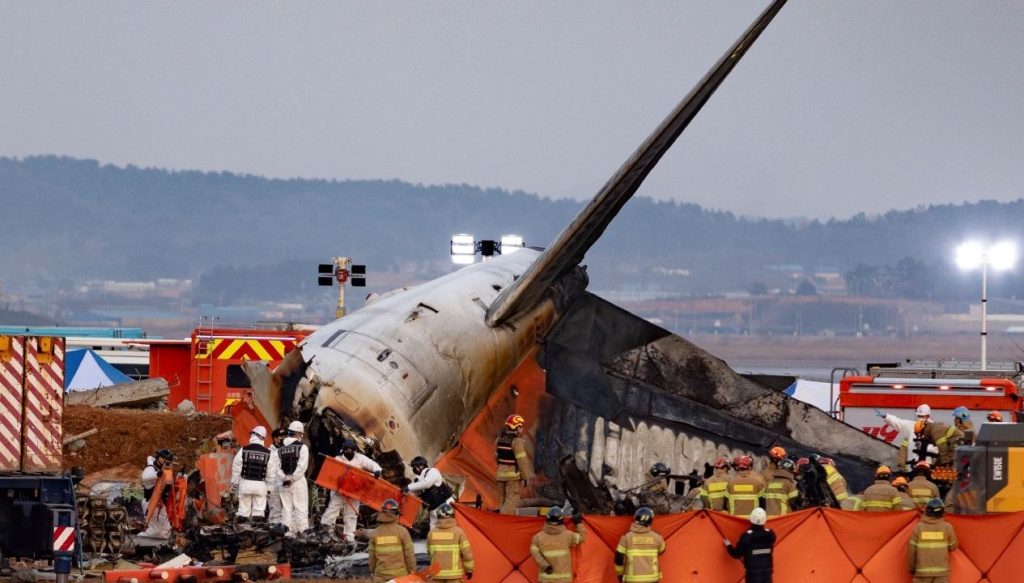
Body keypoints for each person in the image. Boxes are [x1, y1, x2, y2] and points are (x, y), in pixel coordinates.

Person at [322, 438, 382, 541]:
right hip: (339, 492)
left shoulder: (360, 458)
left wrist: (377, 471)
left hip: (354, 493)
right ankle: (325, 534)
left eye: (351, 450)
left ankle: (349, 538)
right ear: (343, 449)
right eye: (347, 450)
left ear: (354, 450)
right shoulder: (338, 459)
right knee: (331, 512)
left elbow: (373, 465)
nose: (349, 452)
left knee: (351, 516)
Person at [230, 426, 279, 523]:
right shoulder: (268, 453)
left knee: (243, 511)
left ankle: (242, 533)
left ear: (255, 435)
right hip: (261, 486)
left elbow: (236, 467)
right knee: (259, 512)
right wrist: (269, 488)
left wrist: (234, 483)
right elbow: (271, 473)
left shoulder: (244, 450)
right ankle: (257, 533)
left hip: (245, 484)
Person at [907, 499, 958, 583]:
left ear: (926, 511)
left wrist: (911, 569)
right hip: (941, 574)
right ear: (942, 512)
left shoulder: (918, 527)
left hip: (921, 574)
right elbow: (953, 546)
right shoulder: (947, 527)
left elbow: (912, 552)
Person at [530, 507, 585, 583]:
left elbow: (534, 553)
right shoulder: (568, 535)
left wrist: (545, 565)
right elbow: (582, 538)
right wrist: (579, 523)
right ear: (562, 520)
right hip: (564, 580)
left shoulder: (537, 537)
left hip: (545, 579)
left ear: (546, 519)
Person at [368, 498, 416, 583]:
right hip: (400, 577)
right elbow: (409, 555)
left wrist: (373, 571)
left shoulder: (375, 533)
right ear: (396, 513)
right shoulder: (402, 531)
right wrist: (412, 570)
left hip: (380, 577)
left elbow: (372, 558)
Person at [277, 420, 310, 537]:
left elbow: (276, 467)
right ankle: (302, 533)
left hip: (284, 482)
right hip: (298, 482)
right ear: (298, 434)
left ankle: (288, 534)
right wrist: (293, 478)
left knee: (286, 508)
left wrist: (285, 478)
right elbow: (302, 466)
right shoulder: (302, 447)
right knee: (300, 508)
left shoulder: (279, 449)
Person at [724, 508, 775, 583]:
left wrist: (729, 546)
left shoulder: (746, 536)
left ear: (751, 519)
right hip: (767, 573)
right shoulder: (770, 535)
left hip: (752, 574)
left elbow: (736, 554)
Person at [615, 507, 665, 583]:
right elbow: (662, 551)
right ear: (650, 520)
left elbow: (618, 559)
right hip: (652, 579)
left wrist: (620, 575)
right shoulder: (657, 537)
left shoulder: (626, 537)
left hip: (632, 580)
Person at [495, 414, 533, 514]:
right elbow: (522, 462)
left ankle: (499, 523)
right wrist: (525, 477)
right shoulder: (517, 442)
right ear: (516, 427)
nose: (522, 429)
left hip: (500, 475)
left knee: (502, 501)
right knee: (511, 502)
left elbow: (496, 457)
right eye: (520, 426)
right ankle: (503, 523)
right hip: (513, 478)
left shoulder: (499, 440)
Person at [427, 502, 475, 582]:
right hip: (454, 576)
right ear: (452, 515)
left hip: (436, 574)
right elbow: (467, 553)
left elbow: (429, 553)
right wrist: (469, 569)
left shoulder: (431, 533)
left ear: (438, 516)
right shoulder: (459, 532)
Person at [877, 404, 932, 471]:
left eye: (922, 416)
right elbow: (898, 422)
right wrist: (887, 417)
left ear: (928, 416)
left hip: (928, 468)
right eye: (918, 416)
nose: (920, 418)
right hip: (911, 468)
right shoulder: (911, 425)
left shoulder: (934, 428)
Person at [406, 455, 454, 529]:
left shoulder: (433, 471)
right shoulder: (417, 480)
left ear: (423, 465)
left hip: (444, 506)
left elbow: (426, 484)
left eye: (418, 466)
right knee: (433, 532)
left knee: (447, 529)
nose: (416, 469)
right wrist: (405, 490)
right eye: (414, 467)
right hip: (433, 509)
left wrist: (408, 487)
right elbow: (415, 492)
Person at [139, 449, 173, 537]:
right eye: (164, 459)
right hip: (150, 503)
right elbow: (145, 477)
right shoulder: (151, 468)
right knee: (154, 529)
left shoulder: (162, 468)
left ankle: (163, 545)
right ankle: (138, 540)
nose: (166, 461)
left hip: (159, 503)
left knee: (166, 527)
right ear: (160, 458)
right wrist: (157, 474)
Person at [267, 428, 286, 525]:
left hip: (285, 483)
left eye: (284, 436)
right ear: (275, 438)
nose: (283, 438)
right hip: (273, 484)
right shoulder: (269, 451)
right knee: (275, 508)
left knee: (286, 508)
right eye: (281, 437)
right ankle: (273, 529)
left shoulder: (286, 450)